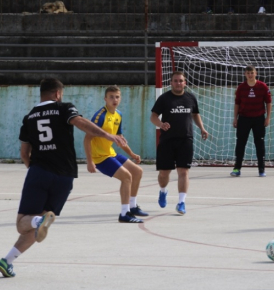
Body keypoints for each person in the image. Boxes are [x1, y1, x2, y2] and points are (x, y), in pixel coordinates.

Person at [0, 78, 127, 278]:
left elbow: (25, 154)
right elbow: (82, 124)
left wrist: (34, 172)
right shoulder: (64, 108)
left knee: (23, 223)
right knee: (37, 224)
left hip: (40, 172)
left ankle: (37, 221)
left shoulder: (29, 117)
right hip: (65, 177)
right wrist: (108, 136)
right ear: (58, 94)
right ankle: (7, 261)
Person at [84, 85, 148, 224]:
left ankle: (133, 207)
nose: (114, 99)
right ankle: (124, 214)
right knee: (126, 177)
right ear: (105, 99)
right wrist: (90, 161)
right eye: (111, 97)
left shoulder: (118, 114)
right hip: (100, 158)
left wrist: (131, 153)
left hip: (111, 153)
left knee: (137, 171)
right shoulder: (100, 116)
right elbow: (87, 138)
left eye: (117, 97)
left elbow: (119, 137)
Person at [150, 71, 209, 215]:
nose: (178, 83)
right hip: (167, 140)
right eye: (175, 81)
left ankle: (181, 202)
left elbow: (195, 114)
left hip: (185, 139)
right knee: (164, 173)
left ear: (185, 83)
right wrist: (161, 124)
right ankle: (163, 191)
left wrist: (202, 128)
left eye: (180, 81)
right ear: (171, 83)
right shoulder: (164, 98)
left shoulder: (190, 98)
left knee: (183, 171)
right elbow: (153, 116)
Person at [231, 65, 272, 177]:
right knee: (240, 143)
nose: (250, 75)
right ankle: (237, 168)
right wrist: (235, 118)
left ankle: (261, 169)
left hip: (258, 118)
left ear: (256, 73)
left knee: (259, 144)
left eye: (252, 73)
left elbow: (268, 102)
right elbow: (237, 103)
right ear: (245, 74)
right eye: (248, 73)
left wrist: (268, 117)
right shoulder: (241, 87)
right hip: (244, 118)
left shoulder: (262, 86)